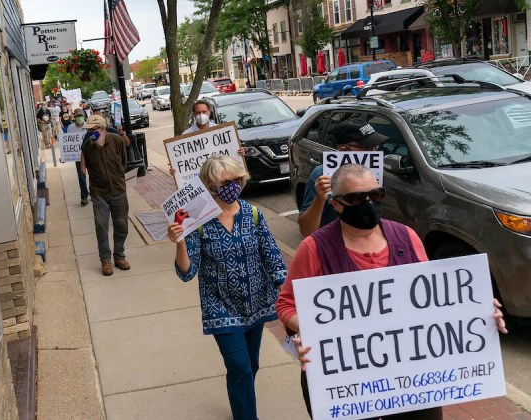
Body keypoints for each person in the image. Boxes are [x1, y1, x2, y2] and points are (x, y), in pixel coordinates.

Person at [275, 164, 509, 420]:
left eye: (375, 195)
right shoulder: (315, 248)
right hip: (346, 385)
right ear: (337, 204)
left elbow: (434, 300)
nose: (367, 202)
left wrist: (478, 314)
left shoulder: (407, 238)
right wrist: (315, 330)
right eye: (355, 198)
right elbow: (286, 305)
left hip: (410, 381)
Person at [168, 155, 287, 420]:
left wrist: (286, 290)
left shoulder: (252, 213)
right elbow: (187, 272)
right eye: (225, 182)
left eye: (237, 180)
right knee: (240, 367)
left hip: (255, 303)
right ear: (210, 185)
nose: (233, 186)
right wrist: (179, 241)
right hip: (219, 307)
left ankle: (241, 401)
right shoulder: (197, 221)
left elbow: (272, 255)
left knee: (250, 365)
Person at [297, 119, 387, 237]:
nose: (373, 152)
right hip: (333, 246)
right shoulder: (322, 175)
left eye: (375, 146)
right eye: (367, 147)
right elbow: (306, 231)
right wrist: (319, 199)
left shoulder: (373, 173)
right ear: (344, 150)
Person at [80, 114, 130, 276]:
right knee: (101, 225)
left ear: (102, 129)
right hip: (99, 192)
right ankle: (105, 260)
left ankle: (119, 255)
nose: (90, 133)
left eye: (93, 130)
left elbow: (124, 161)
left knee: (121, 225)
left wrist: (118, 178)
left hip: (118, 190)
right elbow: (87, 165)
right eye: (88, 130)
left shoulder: (116, 140)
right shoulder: (88, 146)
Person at [65, 108, 90, 205]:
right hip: (78, 156)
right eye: (78, 116)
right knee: (81, 176)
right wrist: (65, 156)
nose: (80, 118)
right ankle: (84, 196)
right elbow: (67, 143)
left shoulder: (88, 125)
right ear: (74, 117)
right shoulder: (70, 128)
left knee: (93, 175)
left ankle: (93, 192)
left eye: (81, 116)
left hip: (90, 154)